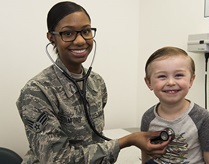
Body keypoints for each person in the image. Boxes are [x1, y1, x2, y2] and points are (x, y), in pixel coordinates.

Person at [16, 1, 169, 163]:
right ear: (52, 38)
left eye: (86, 31)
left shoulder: (96, 83)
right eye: (68, 33)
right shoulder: (37, 91)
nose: (81, 40)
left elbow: (94, 140)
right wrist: (126, 141)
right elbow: (56, 159)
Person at [141, 46, 209, 164]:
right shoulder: (148, 118)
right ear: (149, 83)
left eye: (178, 75)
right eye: (162, 76)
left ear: (191, 80)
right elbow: (146, 152)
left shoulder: (203, 118)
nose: (170, 82)